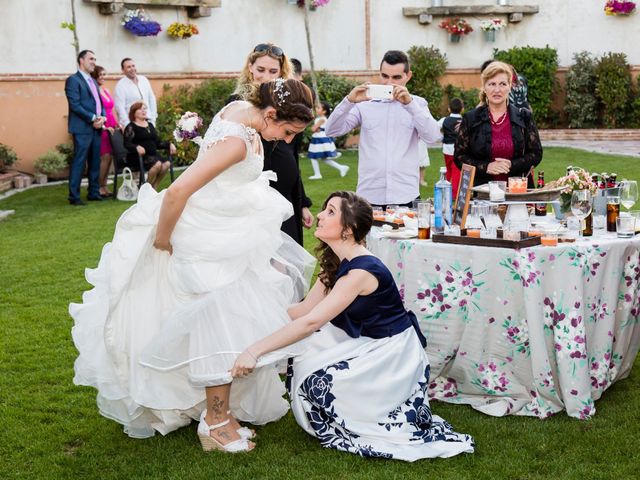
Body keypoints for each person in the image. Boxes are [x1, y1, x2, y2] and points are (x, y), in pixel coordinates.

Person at [70, 79, 316, 453]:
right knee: (220, 328)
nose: (283, 139)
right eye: (285, 131)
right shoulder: (238, 140)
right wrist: (163, 239)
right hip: (205, 244)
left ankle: (219, 412)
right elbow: (180, 190)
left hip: (225, 235)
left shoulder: (238, 112)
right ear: (269, 113)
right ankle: (215, 423)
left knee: (225, 324)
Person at [231, 191, 475, 461]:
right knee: (304, 362)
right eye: (325, 209)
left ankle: (371, 412)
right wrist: (253, 312)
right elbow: (302, 311)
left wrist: (255, 350)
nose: (321, 215)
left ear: (347, 230)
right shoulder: (337, 262)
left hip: (392, 354)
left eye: (331, 212)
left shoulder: (360, 272)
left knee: (315, 380)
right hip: (368, 340)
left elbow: (310, 322)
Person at [325, 50, 441, 210]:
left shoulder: (418, 104)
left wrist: (410, 105)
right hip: (368, 196)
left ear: (408, 76)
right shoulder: (364, 103)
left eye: (396, 77)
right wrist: (349, 101)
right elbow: (331, 130)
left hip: (406, 195)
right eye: (385, 76)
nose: (389, 83)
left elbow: (433, 137)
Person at [230, 43, 313, 245]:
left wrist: (302, 202)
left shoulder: (290, 105)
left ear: (282, 72)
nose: (266, 76)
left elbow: (292, 154)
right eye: (261, 70)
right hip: (259, 198)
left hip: (287, 196)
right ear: (250, 67)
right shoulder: (239, 106)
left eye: (273, 71)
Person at [454, 61, 542, 187]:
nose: (497, 90)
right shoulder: (471, 118)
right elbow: (459, 157)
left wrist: (512, 164)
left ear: (510, 86)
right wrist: (486, 167)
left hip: (518, 193)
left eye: (502, 84)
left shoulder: (524, 116)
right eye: (492, 84)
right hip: (482, 195)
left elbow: (536, 154)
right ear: (484, 87)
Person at [64, 49, 105, 205]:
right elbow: (75, 105)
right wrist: (93, 118)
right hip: (82, 128)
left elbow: (98, 102)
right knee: (79, 161)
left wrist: (101, 116)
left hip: (97, 127)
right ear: (81, 60)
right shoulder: (73, 80)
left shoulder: (92, 81)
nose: (94, 61)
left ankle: (93, 192)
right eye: (91, 59)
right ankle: (74, 196)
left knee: (95, 161)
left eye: (95, 58)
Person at [123, 101, 176, 190]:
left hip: (152, 155)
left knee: (166, 164)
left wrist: (169, 145)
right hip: (137, 156)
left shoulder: (150, 125)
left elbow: (157, 142)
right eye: (140, 109)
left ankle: (154, 186)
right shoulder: (131, 126)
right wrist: (136, 147)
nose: (144, 111)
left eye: (145, 109)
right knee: (157, 164)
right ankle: (145, 188)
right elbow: (127, 143)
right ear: (134, 112)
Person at [90, 65, 119, 197]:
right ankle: (99, 186)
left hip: (112, 125)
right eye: (100, 74)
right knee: (104, 157)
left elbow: (111, 109)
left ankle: (105, 185)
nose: (102, 77)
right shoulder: (93, 90)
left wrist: (117, 123)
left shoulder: (105, 90)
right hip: (103, 127)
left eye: (103, 75)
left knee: (110, 157)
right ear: (94, 75)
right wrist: (104, 126)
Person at [307, 101, 349, 180]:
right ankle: (341, 167)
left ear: (324, 111)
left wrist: (314, 128)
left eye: (318, 108)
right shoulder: (320, 119)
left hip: (320, 140)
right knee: (323, 159)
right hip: (319, 139)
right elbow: (315, 129)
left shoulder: (322, 119)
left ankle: (317, 174)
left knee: (313, 157)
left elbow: (313, 129)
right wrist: (315, 129)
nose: (316, 109)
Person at [114, 58, 158, 129]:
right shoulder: (120, 86)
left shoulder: (144, 80)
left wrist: (153, 119)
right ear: (123, 70)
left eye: (133, 66)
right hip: (133, 124)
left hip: (149, 121)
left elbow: (151, 99)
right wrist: (128, 125)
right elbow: (120, 108)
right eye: (128, 67)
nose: (132, 69)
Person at [437, 97, 464, 197]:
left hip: (446, 149)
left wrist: (441, 137)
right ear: (462, 109)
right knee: (456, 171)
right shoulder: (464, 120)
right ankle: (454, 194)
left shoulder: (444, 120)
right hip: (458, 149)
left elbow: (435, 127)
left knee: (448, 170)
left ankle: (444, 188)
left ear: (449, 108)